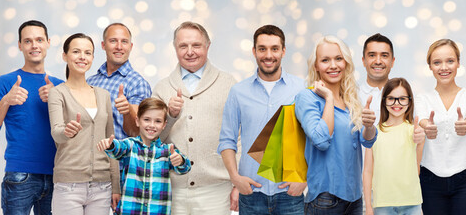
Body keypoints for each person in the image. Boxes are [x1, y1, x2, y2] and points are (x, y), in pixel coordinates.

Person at [217, 25, 307, 214]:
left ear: (283, 51)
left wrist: (305, 180)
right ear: (254, 51)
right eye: (262, 48)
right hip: (251, 194)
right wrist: (235, 178)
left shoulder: (302, 89)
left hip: (290, 195)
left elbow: (315, 139)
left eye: (274, 48)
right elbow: (227, 140)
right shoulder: (238, 92)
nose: (268, 55)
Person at [151, 21, 237, 214]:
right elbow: (151, 140)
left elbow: (240, 135)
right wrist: (170, 116)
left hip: (216, 189)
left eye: (196, 45)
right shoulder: (162, 87)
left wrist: (237, 183)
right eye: (183, 46)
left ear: (207, 46)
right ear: (175, 48)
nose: (190, 51)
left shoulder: (228, 83)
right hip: (173, 190)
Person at [0, 20, 63, 215]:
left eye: (39, 40)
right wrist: (6, 100)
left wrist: (57, 99)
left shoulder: (60, 86)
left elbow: (73, 133)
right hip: (20, 176)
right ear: (20, 45)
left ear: (48, 43)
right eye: (28, 41)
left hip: (57, 176)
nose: (34, 45)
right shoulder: (6, 82)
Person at [295, 35, 377, 214]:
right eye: (325, 60)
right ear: (316, 66)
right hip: (325, 199)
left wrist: (369, 125)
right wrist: (329, 98)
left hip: (354, 198)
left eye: (338, 58)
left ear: (346, 62)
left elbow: (367, 141)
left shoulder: (350, 98)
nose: (333, 65)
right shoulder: (307, 98)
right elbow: (322, 140)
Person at [47, 33, 120, 214]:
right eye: (76, 51)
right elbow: (56, 132)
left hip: (102, 187)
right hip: (68, 186)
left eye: (87, 53)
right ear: (65, 56)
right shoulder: (57, 93)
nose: (82, 57)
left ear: (93, 58)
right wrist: (67, 131)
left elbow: (112, 142)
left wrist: (116, 185)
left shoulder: (103, 95)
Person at [86, 23, 152, 211]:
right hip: (92, 168)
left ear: (131, 46)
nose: (119, 46)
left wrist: (128, 111)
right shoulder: (91, 82)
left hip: (125, 170)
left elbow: (139, 132)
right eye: (113, 41)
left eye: (124, 42)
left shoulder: (137, 83)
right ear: (103, 45)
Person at [416, 39, 466, 214]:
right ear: (430, 67)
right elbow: (422, 119)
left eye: (450, 61)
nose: (444, 67)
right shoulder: (422, 99)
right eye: (437, 62)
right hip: (430, 178)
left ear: (458, 64)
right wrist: (426, 126)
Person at [97, 98, 192, 215]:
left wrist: (180, 161)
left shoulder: (168, 151)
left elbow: (185, 167)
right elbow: (118, 148)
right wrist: (110, 145)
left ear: (164, 125)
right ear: (137, 121)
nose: (152, 125)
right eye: (147, 120)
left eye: (158, 121)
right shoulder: (130, 145)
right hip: (129, 211)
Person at [363, 78, 424, 215]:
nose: (397, 104)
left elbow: (417, 168)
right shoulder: (373, 132)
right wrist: (368, 207)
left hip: (411, 203)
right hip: (382, 205)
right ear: (384, 101)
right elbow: (367, 171)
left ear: (410, 101)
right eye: (391, 98)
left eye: (402, 99)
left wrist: (420, 141)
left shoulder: (415, 131)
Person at [359, 33, 395, 122]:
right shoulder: (352, 97)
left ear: (392, 62)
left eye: (384, 56)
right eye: (372, 55)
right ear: (364, 61)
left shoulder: (405, 96)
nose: (378, 61)